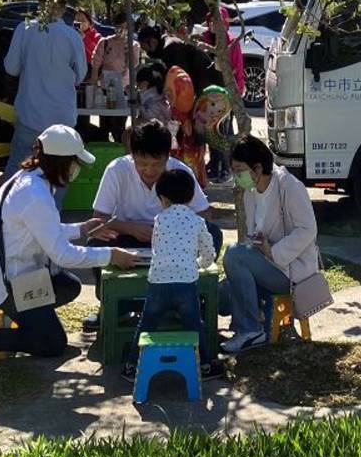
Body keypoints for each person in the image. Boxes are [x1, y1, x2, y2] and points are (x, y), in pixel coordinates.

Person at [0, 125, 138, 372]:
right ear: (61, 162)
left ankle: (23, 318)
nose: (76, 170)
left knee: (68, 286)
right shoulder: (34, 194)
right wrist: (111, 255)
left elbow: (43, 230)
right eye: (75, 163)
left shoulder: (31, 181)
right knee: (52, 344)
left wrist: (82, 229)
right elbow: (62, 254)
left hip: (17, 275)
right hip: (6, 284)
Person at [81, 118, 221, 331]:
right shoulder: (116, 170)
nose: (149, 170)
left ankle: (186, 300)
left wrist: (174, 229)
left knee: (213, 233)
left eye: (157, 164)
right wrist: (131, 228)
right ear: (132, 155)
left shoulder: (179, 172)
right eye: (142, 163)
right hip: (128, 239)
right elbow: (98, 220)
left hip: (172, 245)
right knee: (96, 243)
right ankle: (112, 306)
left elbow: (204, 216)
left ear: (168, 156)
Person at [219, 135, 318, 354]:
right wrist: (257, 243)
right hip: (267, 265)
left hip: (290, 271)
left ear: (257, 168)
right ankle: (246, 328)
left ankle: (249, 331)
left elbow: (308, 229)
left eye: (239, 170)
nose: (236, 176)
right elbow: (255, 233)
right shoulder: (251, 192)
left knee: (234, 254)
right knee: (219, 296)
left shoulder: (289, 187)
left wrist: (272, 251)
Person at [122, 168, 220, 381]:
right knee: (194, 324)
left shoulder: (159, 219)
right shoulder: (197, 221)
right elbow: (207, 249)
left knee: (147, 323)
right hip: (186, 281)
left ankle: (131, 365)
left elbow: (157, 246)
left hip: (158, 280)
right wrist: (203, 263)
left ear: (163, 198)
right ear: (191, 196)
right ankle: (205, 365)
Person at [3, 0, 88, 189]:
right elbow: (80, 75)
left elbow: (11, 68)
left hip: (30, 112)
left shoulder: (24, 29)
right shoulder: (71, 35)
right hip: (62, 115)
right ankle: (52, 215)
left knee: (17, 169)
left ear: (39, 6)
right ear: (63, 8)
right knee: (59, 172)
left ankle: (6, 212)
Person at [202, 8, 244, 183]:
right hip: (208, 94)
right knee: (210, 132)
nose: (213, 25)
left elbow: (236, 69)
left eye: (217, 22)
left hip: (227, 92)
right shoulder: (203, 41)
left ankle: (226, 168)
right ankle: (214, 164)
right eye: (211, 21)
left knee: (224, 131)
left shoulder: (232, 42)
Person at [89, 12, 142, 141]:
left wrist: (127, 49)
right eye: (119, 26)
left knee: (119, 127)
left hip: (124, 90)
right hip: (105, 89)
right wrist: (93, 88)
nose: (121, 30)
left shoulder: (134, 45)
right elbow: (96, 65)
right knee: (104, 126)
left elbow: (133, 65)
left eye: (125, 27)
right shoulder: (105, 42)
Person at [138, 24, 222, 94]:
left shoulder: (170, 48)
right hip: (202, 83)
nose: (145, 51)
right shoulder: (167, 46)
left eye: (144, 47)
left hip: (205, 85)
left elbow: (180, 77)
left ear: (152, 41)